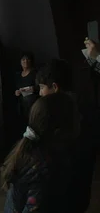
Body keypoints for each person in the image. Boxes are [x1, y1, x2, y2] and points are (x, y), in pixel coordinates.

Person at [36, 59, 97, 213]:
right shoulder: (84, 107)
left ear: (55, 87)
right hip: (81, 193)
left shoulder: (57, 117)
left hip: (63, 197)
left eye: (42, 87)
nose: (40, 93)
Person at [1, 92, 79, 213]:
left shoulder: (33, 154)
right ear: (58, 132)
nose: (81, 119)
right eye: (77, 117)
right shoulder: (43, 170)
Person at [14, 52, 38, 130]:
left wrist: (27, 90)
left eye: (28, 59)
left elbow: (38, 87)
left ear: (31, 61)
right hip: (22, 107)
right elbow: (16, 89)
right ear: (20, 62)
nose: (25, 61)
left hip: (33, 105)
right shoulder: (18, 75)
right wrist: (17, 92)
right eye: (23, 59)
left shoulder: (35, 73)